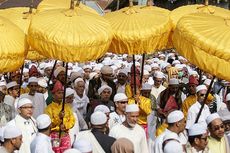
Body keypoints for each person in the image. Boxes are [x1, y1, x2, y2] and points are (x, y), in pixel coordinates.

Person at [45, 81, 75, 153]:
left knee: (67, 151)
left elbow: (72, 120)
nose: (61, 95)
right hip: (54, 136)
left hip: (65, 135)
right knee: (55, 151)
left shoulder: (67, 107)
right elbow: (49, 124)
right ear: (53, 95)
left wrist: (65, 126)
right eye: (59, 93)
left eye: (62, 93)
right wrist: (59, 118)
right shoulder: (49, 108)